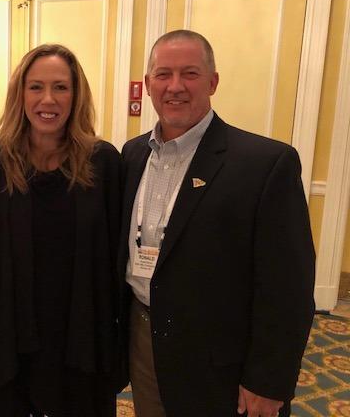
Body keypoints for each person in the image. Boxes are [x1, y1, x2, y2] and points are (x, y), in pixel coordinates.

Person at [120, 29, 315, 417]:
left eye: (189, 74)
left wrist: (268, 380)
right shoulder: (132, 154)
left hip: (219, 359)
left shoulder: (264, 164)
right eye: (163, 74)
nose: (175, 86)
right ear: (149, 83)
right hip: (143, 336)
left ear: (213, 82)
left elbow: (287, 288)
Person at [0, 43, 123, 416]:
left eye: (61, 87)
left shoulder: (103, 163)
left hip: (76, 335)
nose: (49, 99)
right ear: (20, 94)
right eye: (36, 87)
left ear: (76, 95)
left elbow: (115, 258)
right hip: (2, 333)